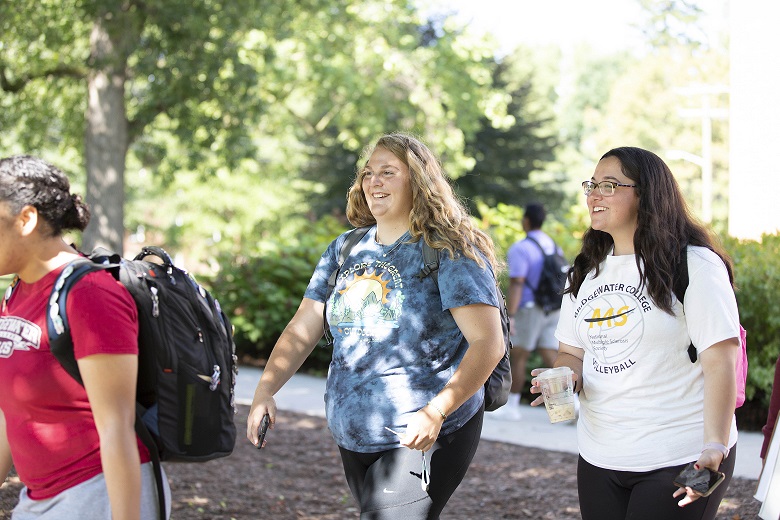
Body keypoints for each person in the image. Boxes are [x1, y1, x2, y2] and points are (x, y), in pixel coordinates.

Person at [246, 133, 505, 519]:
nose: (374, 182)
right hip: (355, 433)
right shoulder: (345, 249)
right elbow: (303, 326)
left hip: (425, 431)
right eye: (368, 173)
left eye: (388, 172)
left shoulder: (447, 250)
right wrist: (265, 389)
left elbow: (487, 342)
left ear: (418, 182)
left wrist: (436, 412)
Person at [530, 147, 740, 520]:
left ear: (647, 194)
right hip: (600, 455)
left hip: (680, 453)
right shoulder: (583, 273)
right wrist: (562, 376)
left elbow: (721, 362)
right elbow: (571, 353)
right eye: (592, 185)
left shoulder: (694, 264)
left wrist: (714, 446)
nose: (594, 194)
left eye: (609, 185)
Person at [0, 155, 168, 519]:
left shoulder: (89, 293)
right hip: (38, 498)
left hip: (98, 493)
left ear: (26, 219)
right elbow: (9, 411)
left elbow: (117, 427)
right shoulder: (15, 295)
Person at [498, 202, 560, 420]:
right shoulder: (552, 244)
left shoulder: (521, 248)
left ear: (526, 220)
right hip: (553, 307)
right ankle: (570, 406)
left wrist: (510, 316)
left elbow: (517, 283)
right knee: (551, 354)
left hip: (530, 308)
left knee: (519, 355)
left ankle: (512, 407)